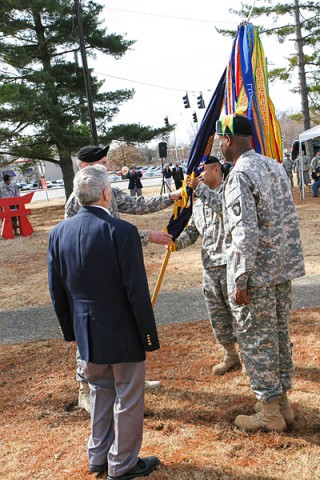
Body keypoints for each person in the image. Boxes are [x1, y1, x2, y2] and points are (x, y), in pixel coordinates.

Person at [48, 165, 161, 478]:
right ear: (106, 194)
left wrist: (71, 332)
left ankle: (98, 457)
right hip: (121, 330)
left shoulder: (58, 233)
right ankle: (122, 463)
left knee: (100, 391)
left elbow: (57, 292)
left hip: (87, 333)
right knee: (127, 395)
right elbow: (136, 290)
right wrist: (148, 336)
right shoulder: (121, 231)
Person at [65, 145, 181, 412]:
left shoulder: (107, 189)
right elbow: (96, 235)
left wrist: (172, 197)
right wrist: (146, 236)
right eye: (103, 163)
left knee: (121, 325)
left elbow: (136, 204)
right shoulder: (78, 199)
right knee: (90, 332)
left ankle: (127, 380)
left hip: (112, 268)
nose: (108, 167)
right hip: (91, 276)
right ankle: (85, 387)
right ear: (86, 168)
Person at [215, 113, 305, 432]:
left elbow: (245, 233)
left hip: (258, 274)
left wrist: (240, 279)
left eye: (220, 140)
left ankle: (269, 412)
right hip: (281, 269)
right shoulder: (274, 166)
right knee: (279, 336)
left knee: (257, 340)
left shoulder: (240, 174)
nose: (219, 147)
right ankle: (282, 405)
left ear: (228, 140)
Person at [174, 156, 240, 375]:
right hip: (210, 267)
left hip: (231, 265)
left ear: (216, 169)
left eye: (202, 170)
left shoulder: (229, 192)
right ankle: (231, 355)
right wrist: (175, 243)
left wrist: (200, 189)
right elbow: (193, 231)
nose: (198, 175)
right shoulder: (200, 200)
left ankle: (252, 357)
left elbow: (225, 210)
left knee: (240, 314)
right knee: (218, 316)